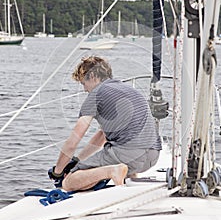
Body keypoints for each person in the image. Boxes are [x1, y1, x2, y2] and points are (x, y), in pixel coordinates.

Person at [49, 55, 161, 191]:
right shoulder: (130, 90)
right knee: (124, 144)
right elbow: (101, 136)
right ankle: (128, 177)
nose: (84, 89)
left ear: (93, 77)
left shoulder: (96, 95)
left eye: (84, 83)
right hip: (152, 156)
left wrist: (58, 171)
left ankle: (112, 171)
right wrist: (77, 161)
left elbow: (73, 142)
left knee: (69, 183)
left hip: (129, 155)